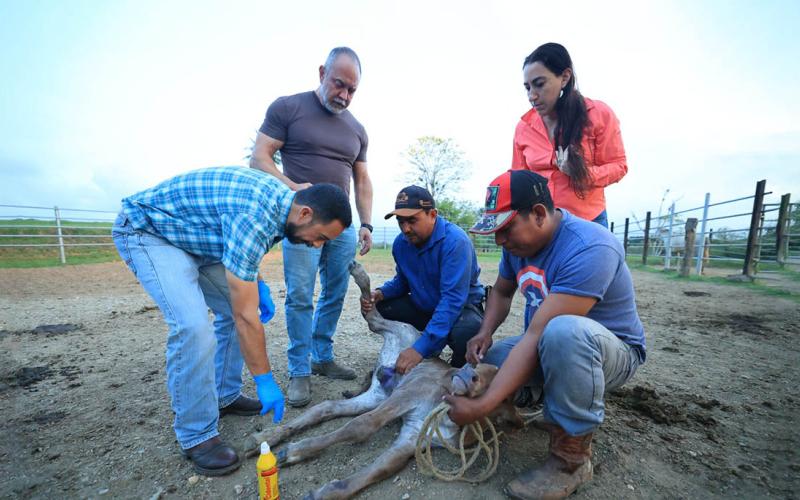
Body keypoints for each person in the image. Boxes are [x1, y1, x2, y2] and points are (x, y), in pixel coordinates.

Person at [111, 166, 351, 476]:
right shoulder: (256, 214)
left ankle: (224, 395)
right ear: (305, 213)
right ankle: (196, 434)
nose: (317, 246)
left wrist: (257, 281)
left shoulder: (282, 209)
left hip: (196, 240)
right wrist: (265, 380)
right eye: (319, 237)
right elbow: (245, 316)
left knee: (232, 305)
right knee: (193, 327)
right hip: (150, 231)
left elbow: (240, 247)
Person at [443, 170, 646, 499]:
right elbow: (504, 292)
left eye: (505, 228)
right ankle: (545, 398)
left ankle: (571, 460)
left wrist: (483, 407)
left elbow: (538, 336)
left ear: (538, 213)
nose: (499, 240)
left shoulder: (590, 247)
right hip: (553, 344)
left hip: (611, 354)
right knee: (494, 360)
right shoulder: (517, 247)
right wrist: (485, 331)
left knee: (563, 332)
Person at [250, 47, 373, 408]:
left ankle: (322, 356)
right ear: (322, 72)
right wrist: (293, 190)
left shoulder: (357, 129)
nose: (344, 95)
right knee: (301, 296)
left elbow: (362, 179)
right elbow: (259, 158)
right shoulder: (288, 108)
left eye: (352, 90)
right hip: (304, 222)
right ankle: (299, 369)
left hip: (341, 226)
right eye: (339, 84)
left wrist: (365, 222)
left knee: (335, 292)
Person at [360, 186, 485, 373]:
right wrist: (380, 293)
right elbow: (403, 281)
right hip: (426, 305)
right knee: (382, 307)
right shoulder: (402, 243)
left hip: (460, 309)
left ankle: (458, 368)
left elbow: (452, 301)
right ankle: (413, 346)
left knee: (467, 331)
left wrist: (419, 350)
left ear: (433, 214)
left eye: (412, 220)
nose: (406, 228)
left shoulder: (455, 242)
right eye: (400, 222)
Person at [512, 42, 628, 228]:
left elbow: (619, 166)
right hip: (541, 226)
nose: (532, 96)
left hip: (588, 222)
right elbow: (519, 177)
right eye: (527, 87)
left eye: (539, 84)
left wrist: (580, 173)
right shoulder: (523, 127)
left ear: (564, 77)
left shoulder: (599, 114)